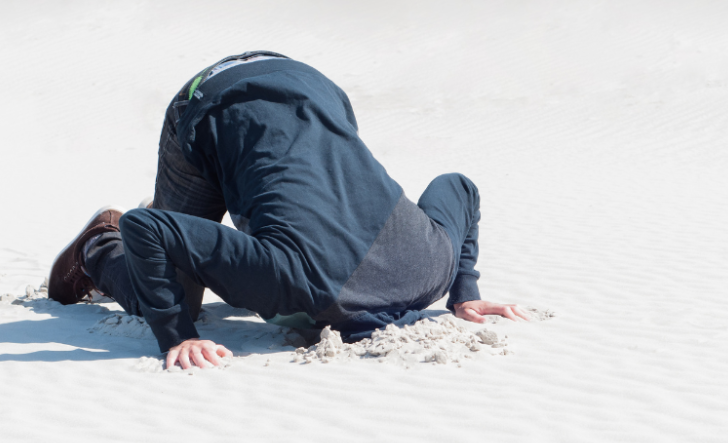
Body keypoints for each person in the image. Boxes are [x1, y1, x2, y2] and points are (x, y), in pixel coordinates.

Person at [49, 51, 528, 370]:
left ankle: (199, 221)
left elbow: (458, 187)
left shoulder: (433, 265)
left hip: (309, 82)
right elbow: (144, 226)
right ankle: (97, 244)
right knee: (176, 293)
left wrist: (462, 291)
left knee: (272, 199)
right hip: (207, 103)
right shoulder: (294, 284)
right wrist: (177, 334)